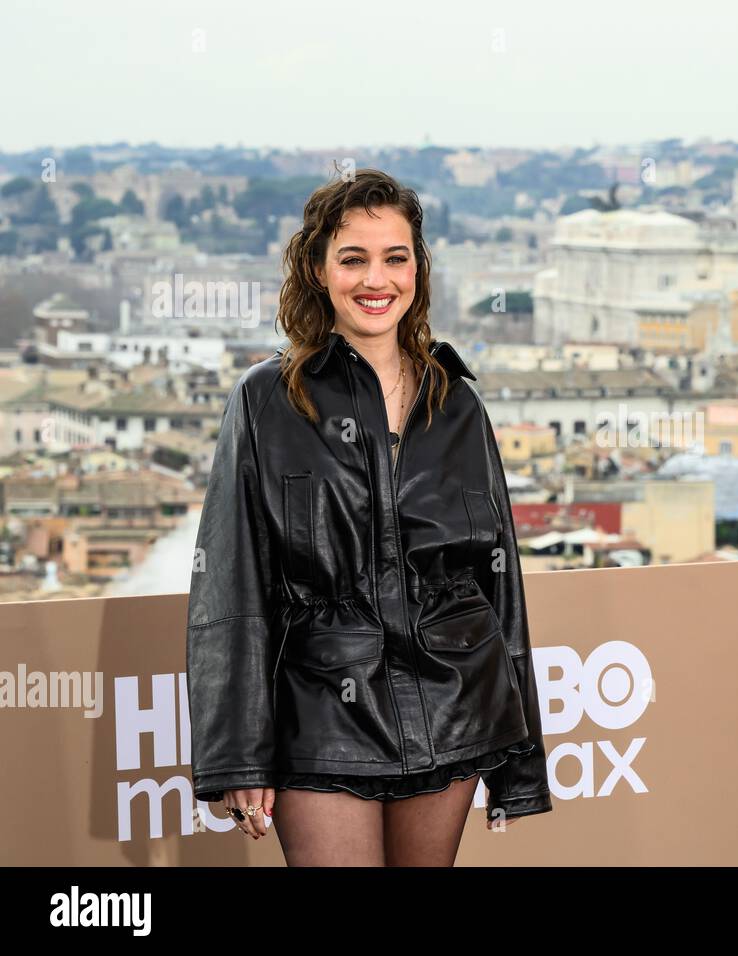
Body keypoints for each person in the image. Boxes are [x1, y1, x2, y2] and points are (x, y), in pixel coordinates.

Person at [185, 168, 552, 866]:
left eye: (395, 257)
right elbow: (230, 585)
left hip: (453, 701)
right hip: (321, 708)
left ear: (418, 269)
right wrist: (237, 756)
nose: (375, 279)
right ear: (318, 271)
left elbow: (499, 585)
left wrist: (519, 761)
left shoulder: (459, 403)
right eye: (352, 258)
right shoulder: (266, 400)